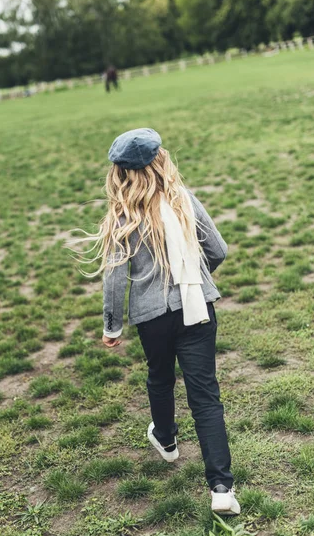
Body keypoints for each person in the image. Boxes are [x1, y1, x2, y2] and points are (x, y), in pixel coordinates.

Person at [79, 128, 240, 516]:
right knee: (205, 397)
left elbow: (115, 278)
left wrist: (112, 326)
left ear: (120, 173)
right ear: (160, 161)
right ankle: (221, 489)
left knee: (160, 377)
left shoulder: (122, 216)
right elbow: (217, 249)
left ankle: (165, 440)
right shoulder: (183, 200)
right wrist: (199, 278)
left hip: (153, 318)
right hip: (197, 309)